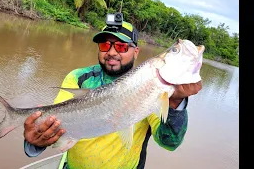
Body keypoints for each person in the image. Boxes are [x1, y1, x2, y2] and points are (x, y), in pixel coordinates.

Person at [23, 20, 202, 169]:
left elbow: (169, 143)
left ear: (136, 52)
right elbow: (57, 126)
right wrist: (35, 143)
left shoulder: (156, 88)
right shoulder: (78, 78)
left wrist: (176, 103)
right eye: (105, 45)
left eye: (122, 46)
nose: (112, 52)